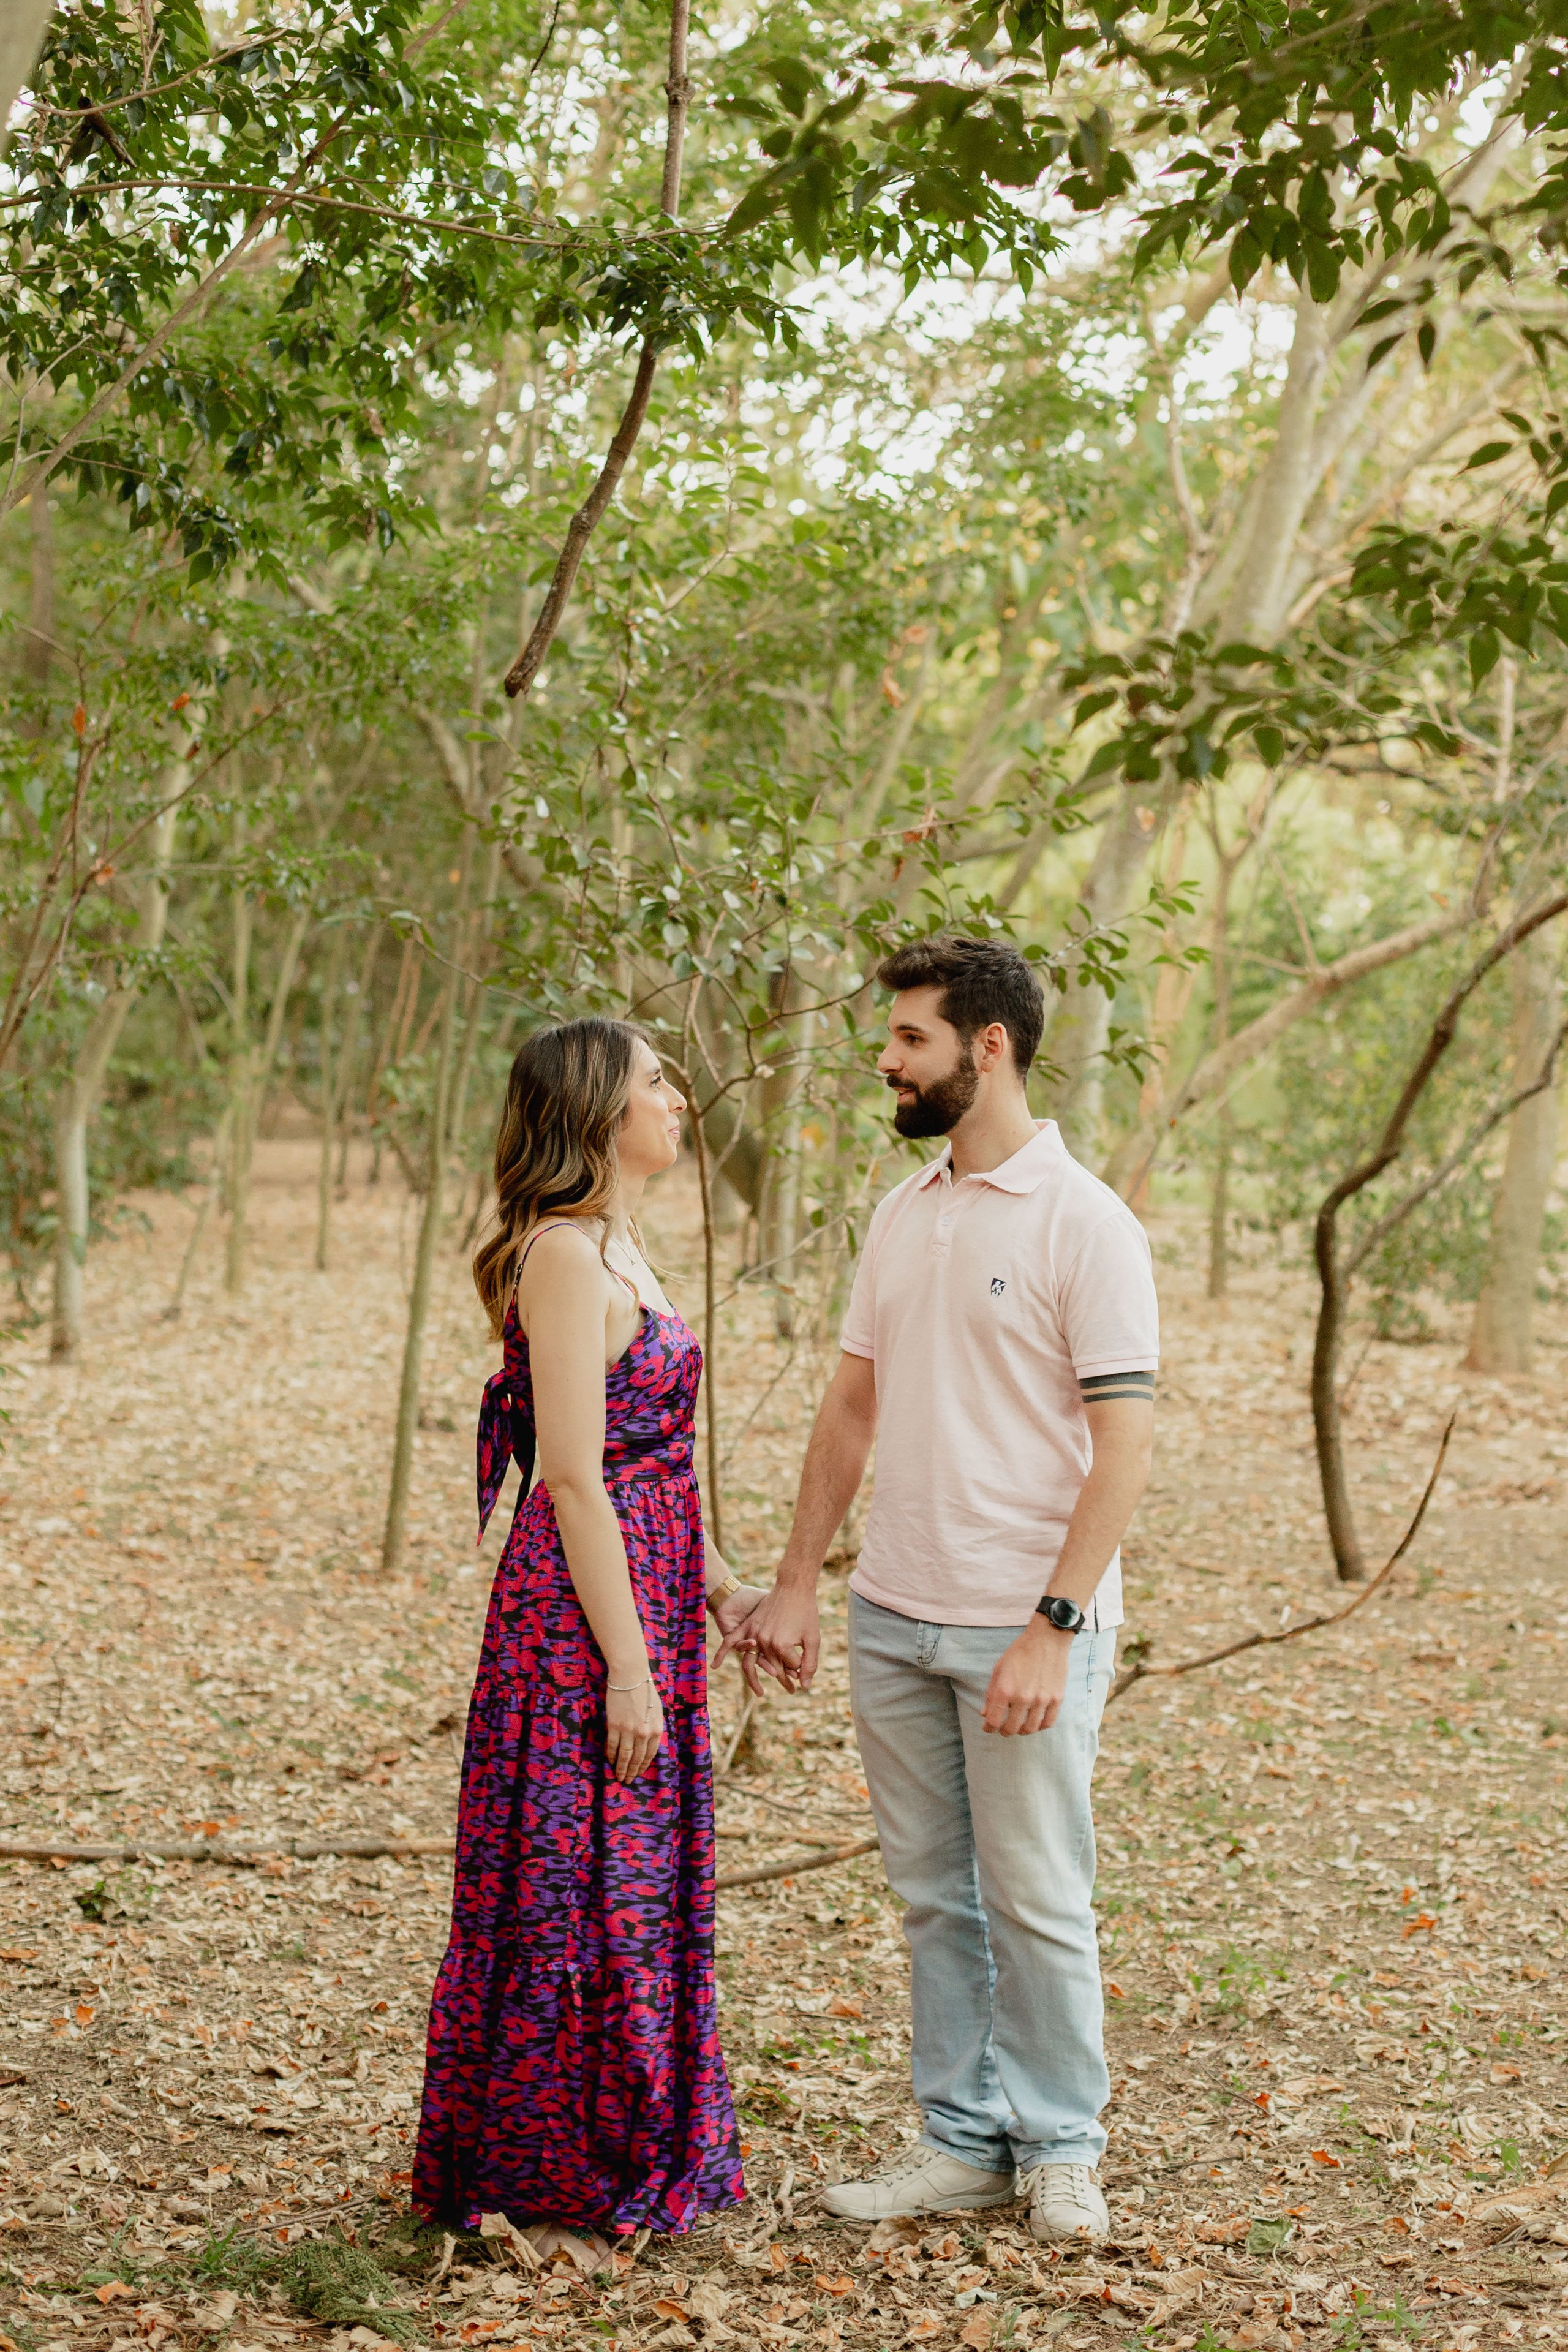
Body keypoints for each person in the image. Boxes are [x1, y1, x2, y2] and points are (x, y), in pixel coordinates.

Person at [739, 935, 1156, 2245]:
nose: (886, 1059)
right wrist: (800, 1580)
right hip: (892, 1618)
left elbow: (1124, 1441)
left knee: (1035, 1895)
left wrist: (1055, 1622)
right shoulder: (903, 1210)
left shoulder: (1085, 1223)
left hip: (1017, 1622)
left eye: (909, 1038)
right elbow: (850, 1404)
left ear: (988, 1047)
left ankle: (1060, 2148)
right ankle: (961, 2142)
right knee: (932, 1897)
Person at [412, 1017, 763, 2239]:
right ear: (601, 1112)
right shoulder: (561, 1257)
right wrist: (625, 1665)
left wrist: (722, 1594)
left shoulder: (623, 1247)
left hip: (649, 1594)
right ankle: (543, 2167)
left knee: (637, 1878)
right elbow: (571, 1475)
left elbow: (653, 1463)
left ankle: (630, 2141)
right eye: (657, 1084)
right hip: (576, 1620)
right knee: (571, 1881)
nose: (678, 1100)